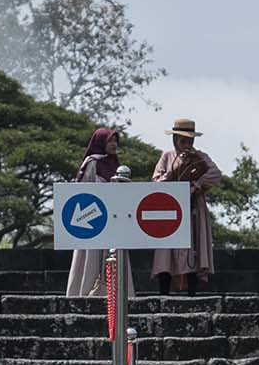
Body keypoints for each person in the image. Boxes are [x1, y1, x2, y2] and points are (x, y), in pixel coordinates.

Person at [61, 122, 140, 304]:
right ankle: (86, 292)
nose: (113, 145)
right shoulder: (93, 163)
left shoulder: (116, 164)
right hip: (93, 220)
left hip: (114, 219)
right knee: (91, 255)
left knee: (116, 255)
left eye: (115, 141)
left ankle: (120, 295)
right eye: (110, 141)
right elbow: (84, 192)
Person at [150, 117, 223, 292]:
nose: (187, 144)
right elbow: (156, 181)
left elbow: (215, 174)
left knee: (192, 246)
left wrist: (196, 185)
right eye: (183, 140)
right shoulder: (167, 157)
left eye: (190, 140)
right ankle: (164, 290)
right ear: (175, 140)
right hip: (169, 209)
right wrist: (173, 173)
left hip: (192, 207)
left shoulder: (201, 157)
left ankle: (192, 291)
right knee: (166, 250)